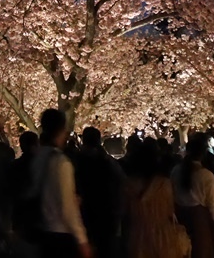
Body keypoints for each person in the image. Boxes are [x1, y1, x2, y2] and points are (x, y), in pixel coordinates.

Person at [29, 109, 91, 258]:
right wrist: (82, 240)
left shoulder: (37, 158)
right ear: (61, 130)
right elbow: (67, 208)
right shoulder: (61, 162)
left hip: (41, 232)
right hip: (61, 234)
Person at [123, 138, 191, 258]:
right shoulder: (164, 184)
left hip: (137, 237)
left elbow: (125, 213)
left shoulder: (128, 186)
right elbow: (169, 210)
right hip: (163, 237)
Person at [76, 127, 124, 258]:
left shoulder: (76, 162)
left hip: (83, 217)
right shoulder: (109, 162)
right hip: (107, 216)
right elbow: (120, 185)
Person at [170, 135, 214, 258]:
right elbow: (212, 204)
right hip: (200, 220)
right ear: (203, 153)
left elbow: (172, 194)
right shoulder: (206, 175)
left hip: (180, 217)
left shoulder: (176, 171)